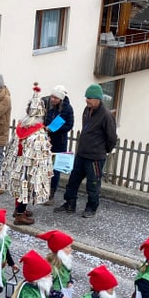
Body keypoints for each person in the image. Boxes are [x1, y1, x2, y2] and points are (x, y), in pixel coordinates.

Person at [56, 83, 118, 218]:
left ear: (98, 99)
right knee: (73, 181)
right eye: (86, 97)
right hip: (82, 154)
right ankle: (70, 204)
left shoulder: (106, 115)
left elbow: (112, 138)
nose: (87, 100)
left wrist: (104, 150)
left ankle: (91, 208)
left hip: (95, 157)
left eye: (90, 98)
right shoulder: (87, 110)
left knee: (93, 184)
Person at [0, 84, 53, 226]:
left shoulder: (21, 127)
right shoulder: (38, 132)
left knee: (19, 185)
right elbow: (41, 153)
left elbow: (12, 146)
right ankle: (20, 215)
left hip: (18, 161)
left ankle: (18, 210)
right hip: (30, 165)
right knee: (26, 186)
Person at [42, 84, 75, 204]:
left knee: (55, 170)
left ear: (61, 98)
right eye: (52, 97)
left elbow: (69, 125)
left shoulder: (67, 109)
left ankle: (51, 192)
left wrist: (54, 129)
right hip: (47, 140)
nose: (52, 100)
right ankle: (44, 190)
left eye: (55, 98)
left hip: (59, 142)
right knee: (45, 166)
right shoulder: (48, 105)